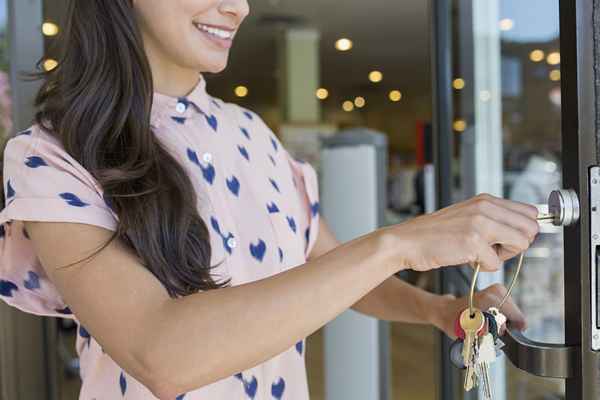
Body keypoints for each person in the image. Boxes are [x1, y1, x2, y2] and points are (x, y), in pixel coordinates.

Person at [0, 1, 538, 399]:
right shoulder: (51, 157)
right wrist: (398, 243)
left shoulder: (254, 134)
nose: (238, 6)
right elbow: (159, 353)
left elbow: (329, 265)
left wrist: (441, 310)